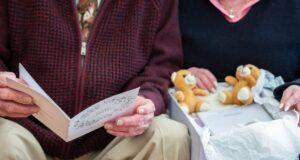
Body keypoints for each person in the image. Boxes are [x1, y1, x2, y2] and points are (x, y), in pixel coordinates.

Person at [0, 0, 190, 159]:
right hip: (25, 132)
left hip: (113, 138)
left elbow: (162, 64)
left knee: (169, 136)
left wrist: (146, 102)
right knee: (4, 141)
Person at [179, 0, 300, 114]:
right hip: (200, 114)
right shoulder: (177, 4)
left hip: (280, 119)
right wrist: (183, 75)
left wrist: (297, 87)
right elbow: (164, 61)